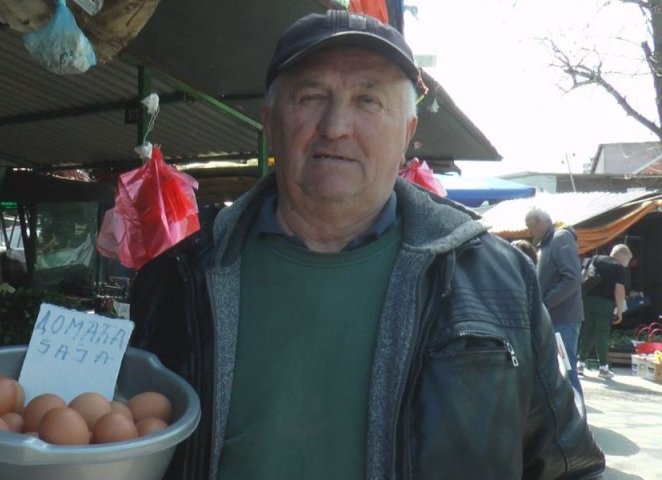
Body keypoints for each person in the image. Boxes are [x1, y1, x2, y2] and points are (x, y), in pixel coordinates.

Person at [130, 10, 604, 479]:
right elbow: (116, 442)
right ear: (270, 122)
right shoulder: (176, 281)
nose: (336, 126)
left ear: (407, 136)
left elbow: (570, 469)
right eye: (311, 97)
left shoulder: (500, 284)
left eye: (369, 101)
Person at [525, 207, 585, 398]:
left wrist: (544, 303)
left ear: (538, 223)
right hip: (555, 318)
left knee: (566, 369)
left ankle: (578, 419)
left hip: (563, 318)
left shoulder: (560, 239)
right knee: (560, 370)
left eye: (530, 227)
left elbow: (572, 279)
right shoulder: (548, 242)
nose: (529, 233)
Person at [578, 244, 632, 379]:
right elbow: (619, 291)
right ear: (623, 256)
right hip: (605, 303)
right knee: (601, 333)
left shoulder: (595, 258)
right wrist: (619, 311)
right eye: (627, 261)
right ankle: (603, 367)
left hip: (588, 301)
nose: (626, 264)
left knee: (588, 331)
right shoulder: (618, 267)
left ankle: (580, 363)